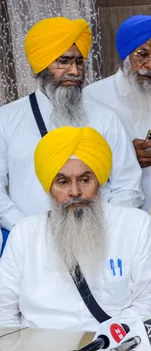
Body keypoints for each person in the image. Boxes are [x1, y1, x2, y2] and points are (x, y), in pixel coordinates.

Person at [0, 126, 151, 330]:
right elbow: (4, 312)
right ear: (49, 187)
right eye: (62, 182)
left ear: (100, 180)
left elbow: (149, 305)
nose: (75, 191)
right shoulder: (24, 234)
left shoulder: (137, 225)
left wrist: (109, 346)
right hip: (39, 350)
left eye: (85, 180)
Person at [0, 17, 143, 230]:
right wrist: (28, 231)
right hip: (32, 245)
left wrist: (106, 228)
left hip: (98, 239)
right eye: (64, 61)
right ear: (41, 66)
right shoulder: (7, 119)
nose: (75, 71)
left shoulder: (105, 118)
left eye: (79, 62)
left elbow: (129, 186)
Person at [84, 15, 151, 211]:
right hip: (117, 212)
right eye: (142, 54)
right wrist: (125, 157)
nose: (150, 66)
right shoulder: (93, 97)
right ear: (127, 54)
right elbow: (80, 162)